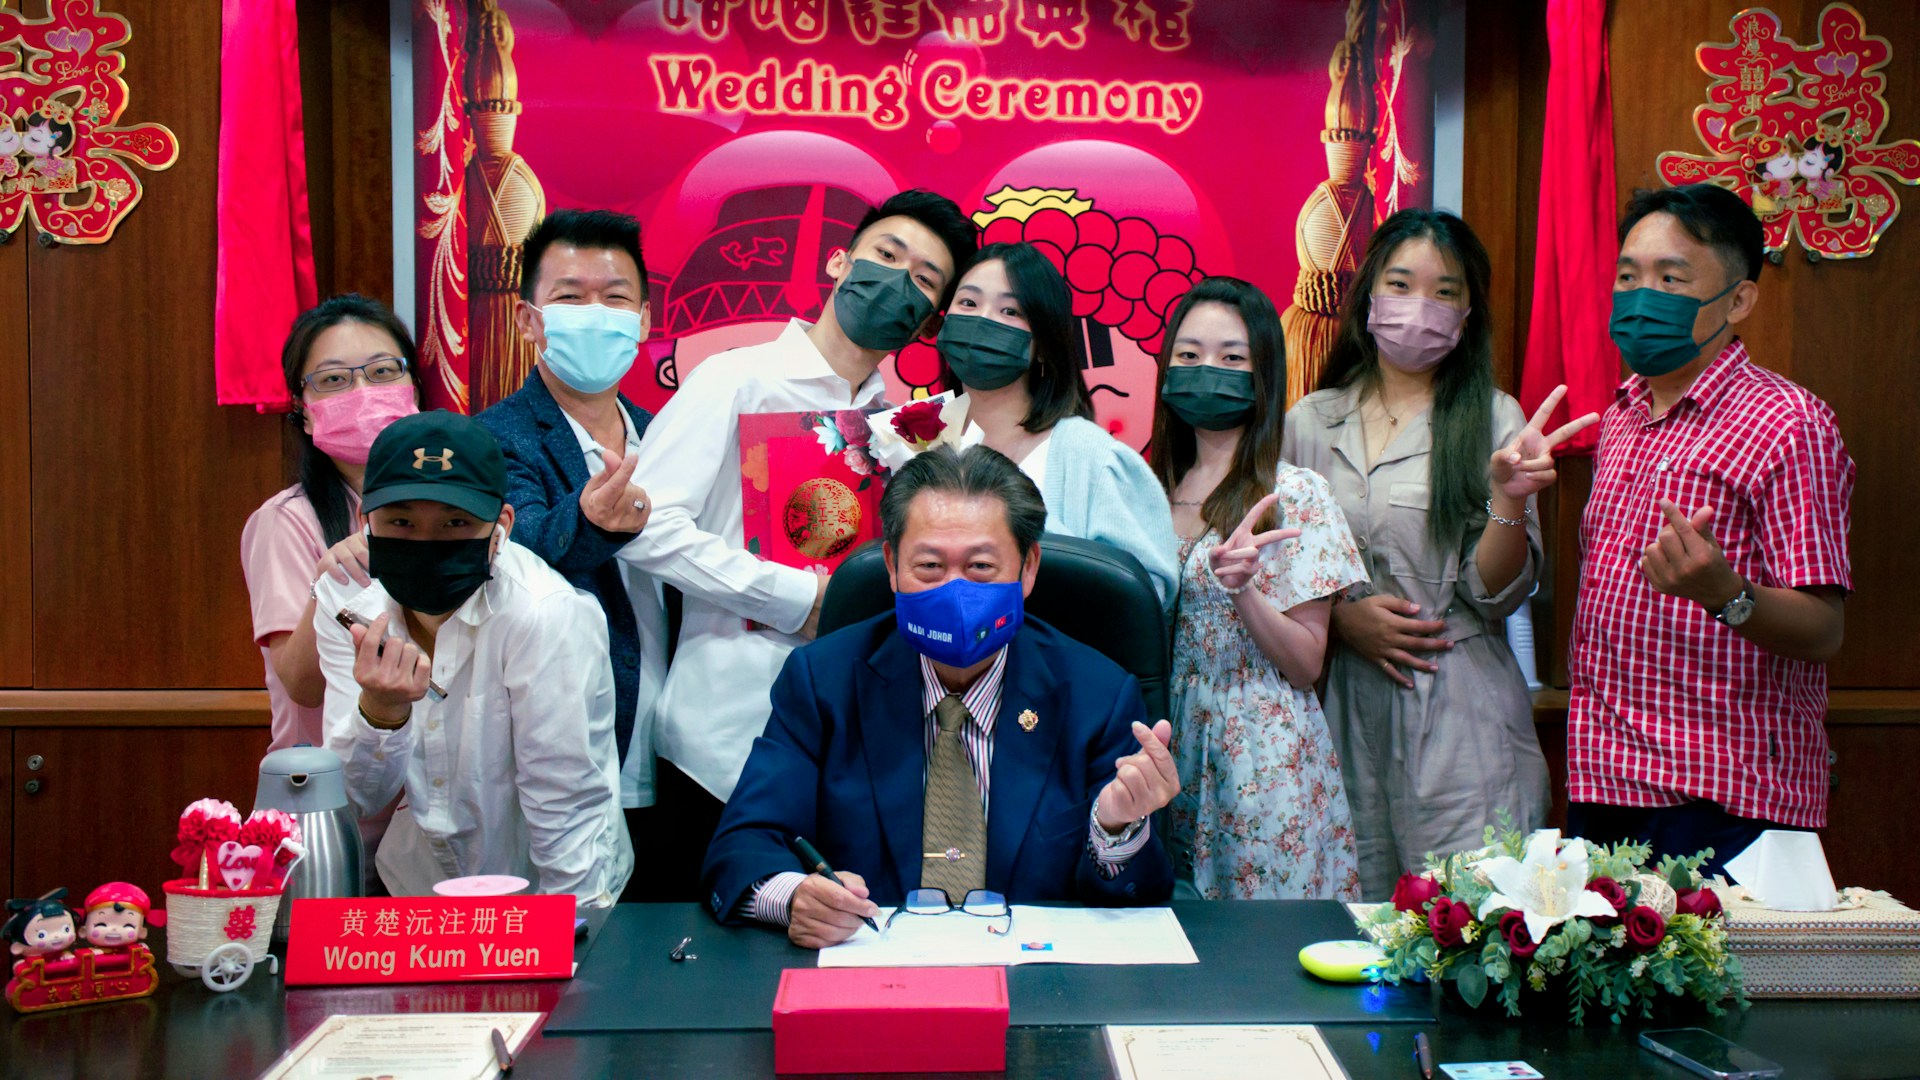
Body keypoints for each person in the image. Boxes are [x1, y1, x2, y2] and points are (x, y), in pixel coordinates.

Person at [617, 189, 978, 898]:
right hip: (722, 740)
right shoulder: (735, 379)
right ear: (841, 262)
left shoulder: (908, 428)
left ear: (929, 321)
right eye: (887, 256)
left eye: (925, 280)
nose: (898, 281)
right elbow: (644, 525)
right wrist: (797, 598)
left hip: (853, 750)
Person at [703, 444, 1179, 948]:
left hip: (1037, 991)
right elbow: (742, 845)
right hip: (873, 983)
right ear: (891, 565)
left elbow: (1137, 901)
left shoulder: (1098, 696)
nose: (954, 591)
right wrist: (794, 895)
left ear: (1029, 567)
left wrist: (1115, 832)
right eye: (929, 566)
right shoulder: (824, 681)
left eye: (980, 567)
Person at [1284, 210, 1595, 898]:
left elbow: (1496, 594)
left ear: (1468, 313)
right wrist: (1341, 617)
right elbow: (1280, 573)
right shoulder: (1309, 420)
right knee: (1345, 924)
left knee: (1467, 918)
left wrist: (1508, 500)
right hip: (1337, 707)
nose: (1420, 307)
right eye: (1401, 283)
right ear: (1368, 295)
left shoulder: (1495, 418)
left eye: (1445, 291)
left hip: (1460, 708)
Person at [1567, 183, 1853, 871]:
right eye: (1628, 276)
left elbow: (1824, 628)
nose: (1642, 297)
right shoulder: (1621, 417)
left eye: (1671, 277)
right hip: (1603, 780)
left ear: (1739, 300)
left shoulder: (1788, 423)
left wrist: (1725, 592)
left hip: (1728, 798)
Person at [312, 410, 632, 906]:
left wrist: (574, 940)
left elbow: (565, 809)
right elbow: (353, 800)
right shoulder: (347, 602)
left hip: (546, 884)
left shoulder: (545, 615)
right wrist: (381, 711)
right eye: (401, 522)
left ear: (501, 525)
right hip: (419, 888)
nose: (426, 543)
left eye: (456, 523)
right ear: (365, 522)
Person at [1152, 277, 1368, 901]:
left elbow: (1306, 662)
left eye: (1231, 357)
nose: (1206, 370)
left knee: (1261, 958)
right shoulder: (1148, 487)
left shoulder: (1294, 492)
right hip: (1167, 743)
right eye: (1188, 355)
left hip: (1260, 756)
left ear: (1263, 375)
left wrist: (1244, 593)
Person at [475, 208, 664, 899]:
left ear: (644, 320)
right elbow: (517, 551)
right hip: (571, 767)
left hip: (676, 757)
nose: (595, 314)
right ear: (529, 320)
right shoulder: (494, 440)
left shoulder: (670, 434)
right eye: (569, 297)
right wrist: (590, 520)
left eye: (614, 299)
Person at [942, 242, 1178, 608]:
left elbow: (1145, 597)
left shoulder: (1092, 457)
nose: (984, 320)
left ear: (1044, 342)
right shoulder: (912, 437)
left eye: (1010, 311)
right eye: (969, 303)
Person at [243, 295, 423, 752]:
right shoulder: (285, 522)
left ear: (414, 388)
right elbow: (303, 687)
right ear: (302, 411)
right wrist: (329, 584)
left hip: (435, 791)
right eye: (334, 380)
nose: (362, 393)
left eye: (383, 372)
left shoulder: (457, 511)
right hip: (334, 791)